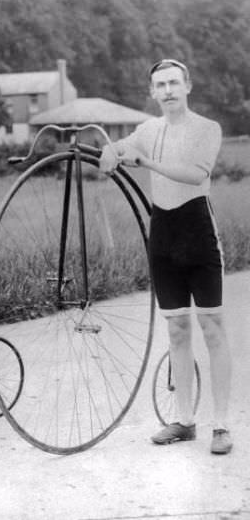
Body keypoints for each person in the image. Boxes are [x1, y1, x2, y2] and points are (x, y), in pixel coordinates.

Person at [100, 59, 233, 454]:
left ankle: (222, 425)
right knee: (176, 330)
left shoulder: (207, 129)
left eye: (175, 83)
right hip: (164, 236)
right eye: (161, 85)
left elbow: (196, 174)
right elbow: (123, 146)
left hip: (198, 233)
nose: (169, 91)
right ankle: (184, 420)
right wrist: (111, 149)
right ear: (153, 92)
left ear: (188, 86)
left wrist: (147, 162)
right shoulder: (148, 129)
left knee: (211, 327)